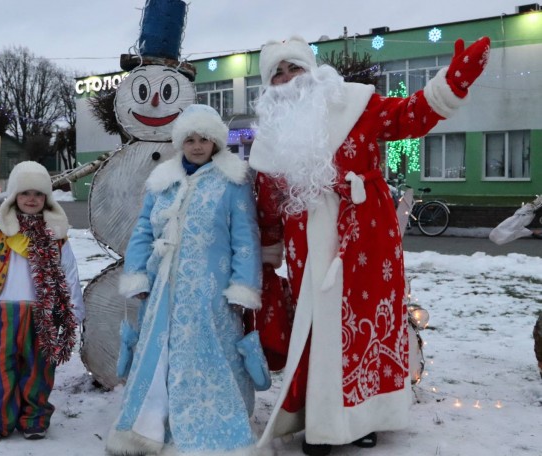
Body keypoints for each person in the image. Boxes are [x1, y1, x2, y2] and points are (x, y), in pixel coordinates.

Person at [250, 36, 490, 455]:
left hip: (365, 231)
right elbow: (269, 199)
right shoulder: (272, 137)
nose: (288, 80)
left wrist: (453, 81)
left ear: (313, 69)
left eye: (295, 68)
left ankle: (365, 418)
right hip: (305, 242)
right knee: (316, 325)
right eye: (278, 74)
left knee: (364, 322)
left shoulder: (358, 104)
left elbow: (409, 117)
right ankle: (321, 421)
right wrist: (270, 249)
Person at [106, 104, 265, 455]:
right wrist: (138, 276)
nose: (196, 146)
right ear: (181, 142)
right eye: (190, 139)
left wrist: (243, 285)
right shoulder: (162, 181)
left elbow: (245, 238)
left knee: (211, 356)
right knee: (159, 355)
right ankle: (150, 426)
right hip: (163, 288)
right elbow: (143, 231)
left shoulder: (231, 181)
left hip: (211, 294)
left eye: (204, 139)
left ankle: (209, 425)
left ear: (216, 143)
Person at [0, 161, 85, 443]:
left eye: (38, 194)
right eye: (25, 193)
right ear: (14, 197)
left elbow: (69, 273)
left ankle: (34, 417)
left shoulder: (56, 236)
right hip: (2, 313)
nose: (32, 199)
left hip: (43, 313)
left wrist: (72, 310)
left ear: (47, 198)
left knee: (39, 367)